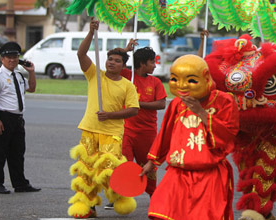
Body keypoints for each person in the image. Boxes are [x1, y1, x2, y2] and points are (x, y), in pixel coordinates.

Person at [140, 54, 239, 220]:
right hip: (178, 172)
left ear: (206, 78)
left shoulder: (224, 101)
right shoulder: (177, 103)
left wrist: (201, 112)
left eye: (191, 80)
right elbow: (165, 133)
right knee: (162, 210)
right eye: (175, 79)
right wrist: (152, 162)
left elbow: (228, 135)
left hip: (209, 173)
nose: (182, 86)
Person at [68, 20, 139, 219]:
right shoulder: (94, 75)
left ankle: (121, 199)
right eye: (110, 59)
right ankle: (86, 207)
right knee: (86, 172)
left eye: (117, 60)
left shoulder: (127, 85)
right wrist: (91, 32)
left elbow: (134, 110)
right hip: (89, 130)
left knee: (110, 171)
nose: (111, 62)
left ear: (123, 65)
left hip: (112, 134)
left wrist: (110, 115)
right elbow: (81, 54)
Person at [113, 40, 166, 202]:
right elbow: (114, 60)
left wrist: (137, 104)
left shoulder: (155, 82)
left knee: (148, 166)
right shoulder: (127, 76)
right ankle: (119, 194)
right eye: (152, 62)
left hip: (147, 133)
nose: (155, 66)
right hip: (127, 130)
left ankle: (153, 195)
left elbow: (161, 104)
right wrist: (126, 50)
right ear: (142, 63)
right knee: (123, 164)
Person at [0, 41, 40, 194]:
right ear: (2, 59)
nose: (12, 60)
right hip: (3, 117)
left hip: (17, 119)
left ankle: (20, 183)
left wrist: (31, 72)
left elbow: (32, 88)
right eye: (8, 57)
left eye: (15, 57)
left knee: (17, 153)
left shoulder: (18, 76)